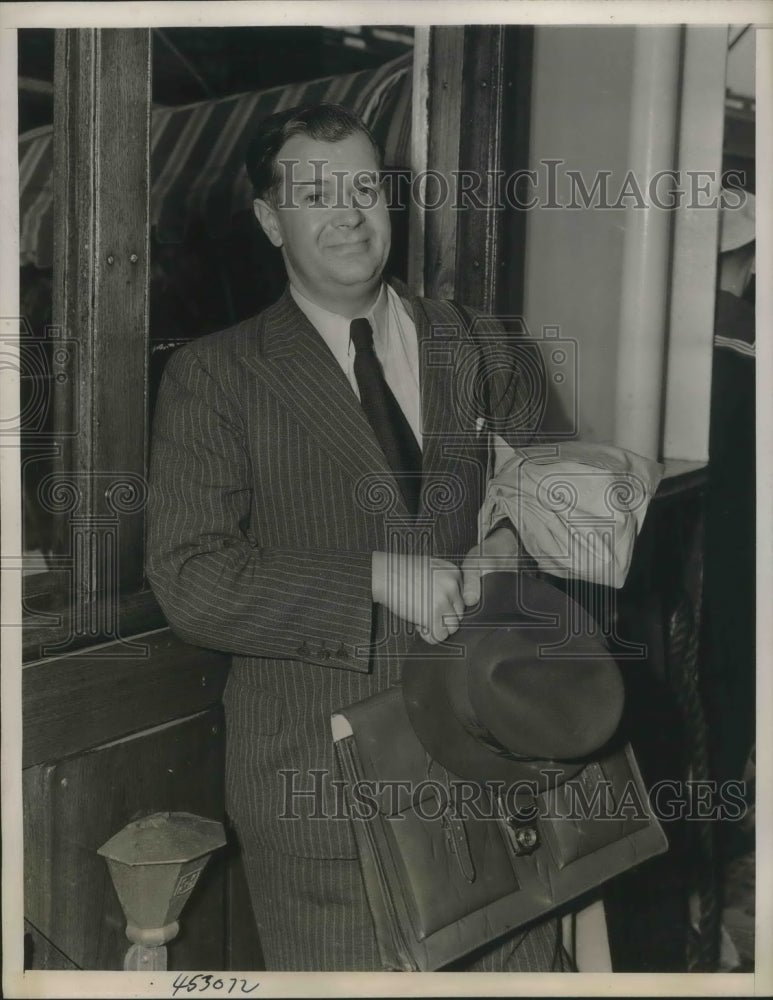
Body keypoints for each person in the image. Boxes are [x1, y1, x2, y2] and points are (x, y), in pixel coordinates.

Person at [146, 103, 565, 972]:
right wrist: (374, 577)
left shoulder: (484, 341)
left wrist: (508, 548)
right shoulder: (215, 375)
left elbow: (566, 498)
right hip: (328, 800)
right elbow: (190, 578)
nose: (349, 212)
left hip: (498, 766)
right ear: (270, 219)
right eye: (315, 193)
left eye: (366, 187)